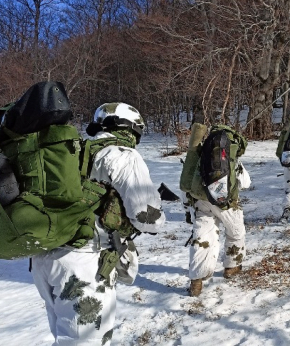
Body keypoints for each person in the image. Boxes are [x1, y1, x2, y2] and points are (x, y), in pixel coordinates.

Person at [30, 102, 165, 345]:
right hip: (83, 262)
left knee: (66, 337)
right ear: (132, 129)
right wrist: (159, 216)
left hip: (44, 256)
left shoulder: (74, 151)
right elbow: (146, 215)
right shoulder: (123, 155)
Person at [182, 124, 250, 297]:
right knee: (236, 232)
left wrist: (187, 206)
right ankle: (231, 266)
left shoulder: (200, 154)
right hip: (226, 204)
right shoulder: (229, 157)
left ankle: (197, 280)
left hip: (200, 201)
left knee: (202, 238)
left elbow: (187, 182)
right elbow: (246, 182)